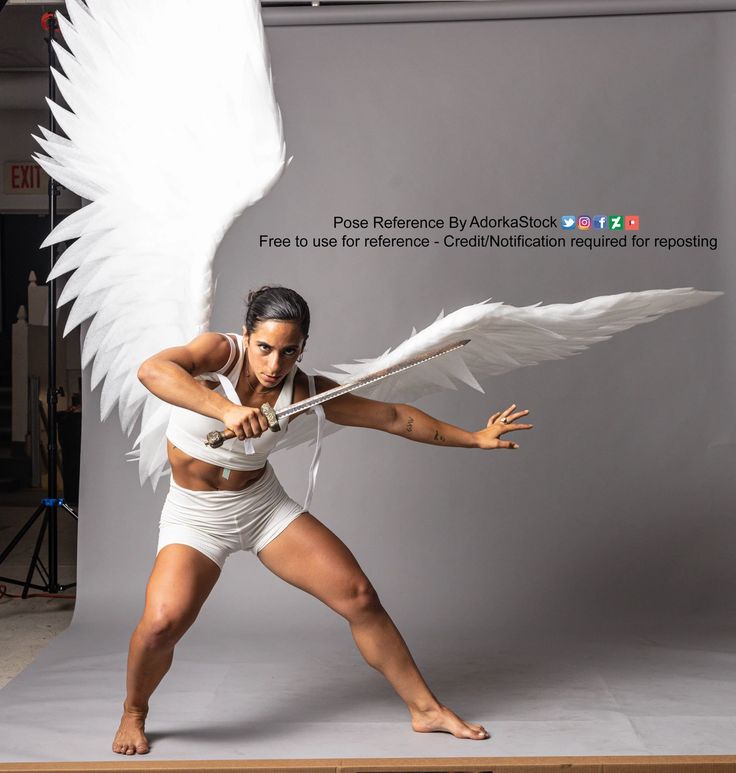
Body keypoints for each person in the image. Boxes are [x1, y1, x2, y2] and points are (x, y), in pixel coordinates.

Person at [112, 285, 533, 755]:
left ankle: (426, 710)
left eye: (289, 351)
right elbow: (153, 370)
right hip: (196, 516)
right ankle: (134, 711)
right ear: (247, 335)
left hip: (260, 505)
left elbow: (393, 416)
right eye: (265, 348)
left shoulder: (305, 390)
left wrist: (473, 438)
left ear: (303, 347)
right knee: (161, 625)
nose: (274, 365)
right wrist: (227, 409)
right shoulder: (220, 353)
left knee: (359, 596)